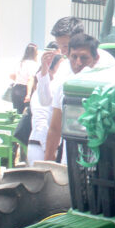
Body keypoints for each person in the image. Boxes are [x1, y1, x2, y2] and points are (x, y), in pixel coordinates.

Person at [44, 33, 101, 162]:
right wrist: (47, 162)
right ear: (67, 56)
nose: (78, 63)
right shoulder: (63, 87)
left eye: (84, 58)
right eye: (74, 57)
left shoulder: (103, 88)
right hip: (69, 162)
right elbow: (55, 128)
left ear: (96, 58)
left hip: (97, 161)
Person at [26, 53, 64, 166]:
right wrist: (49, 152)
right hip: (41, 145)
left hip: (46, 145)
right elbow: (41, 122)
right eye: (61, 67)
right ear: (50, 70)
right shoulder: (48, 90)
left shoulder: (52, 88)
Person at [9, 43, 38, 113]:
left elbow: (12, 75)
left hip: (16, 89)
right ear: (34, 53)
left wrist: (20, 79)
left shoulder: (20, 63)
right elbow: (30, 79)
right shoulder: (32, 64)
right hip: (25, 90)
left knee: (17, 112)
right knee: (26, 113)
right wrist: (28, 94)